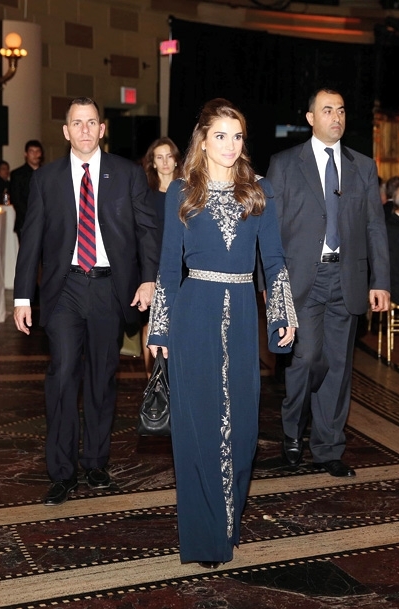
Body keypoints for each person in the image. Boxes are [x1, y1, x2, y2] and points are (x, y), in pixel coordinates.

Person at [147, 98, 297, 568]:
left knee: (244, 428)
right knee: (197, 428)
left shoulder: (258, 190)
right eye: (220, 136)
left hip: (243, 317)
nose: (230, 145)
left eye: (237, 136)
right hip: (194, 315)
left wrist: (282, 314)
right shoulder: (181, 191)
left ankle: (227, 523)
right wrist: (159, 328)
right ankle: (205, 537)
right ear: (203, 139)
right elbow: (168, 266)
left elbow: (274, 260)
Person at [13, 97, 160, 506]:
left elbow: (147, 231)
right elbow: (31, 239)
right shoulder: (47, 179)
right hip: (64, 289)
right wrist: (23, 296)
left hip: (109, 290)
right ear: (66, 131)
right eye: (77, 123)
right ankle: (61, 472)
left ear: (102, 129)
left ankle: (95, 462)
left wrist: (149, 279)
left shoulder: (127, 174)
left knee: (101, 377)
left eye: (91, 122)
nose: (84, 130)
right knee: (62, 375)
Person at [266, 87, 390, 478]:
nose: (336, 117)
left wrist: (380, 280)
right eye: (327, 110)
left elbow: (374, 226)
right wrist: (272, 285)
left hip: (347, 278)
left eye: (341, 110)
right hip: (302, 279)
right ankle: (292, 428)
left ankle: (328, 448)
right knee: (306, 359)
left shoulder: (362, 167)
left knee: (338, 366)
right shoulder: (285, 164)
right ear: (310, 118)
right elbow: (271, 230)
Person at [137, 137, 182, 377]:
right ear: (152, 163)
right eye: (159, 157)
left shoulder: (188, 192)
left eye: (169, 156)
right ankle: (152, 382)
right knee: (150, 324)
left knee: (178, 324)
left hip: (182, 266)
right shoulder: (145, 194)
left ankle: (175, 379)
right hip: (152, 266)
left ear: (176, 160)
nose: (165, 162)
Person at [10, 139, 44, 242]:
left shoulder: (47, 173)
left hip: (45, 223)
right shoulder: (17, 174)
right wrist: (33, 216)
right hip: (25, 222)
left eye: (37, 151)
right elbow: (16, 199)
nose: (35, 154)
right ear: (26, 154)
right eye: (31, 151)